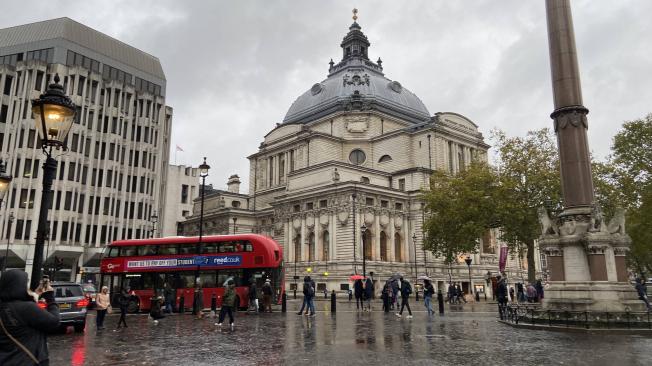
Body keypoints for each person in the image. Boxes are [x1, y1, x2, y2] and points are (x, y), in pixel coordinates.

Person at [0, 271, 60, 366]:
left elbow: (21, 318)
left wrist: (36, 293)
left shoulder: (5, 306)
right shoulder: (26, 308)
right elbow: (54, 321)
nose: (27, 287)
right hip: (27, 361)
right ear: (18, 286)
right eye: (26, 283)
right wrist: (51, 299)